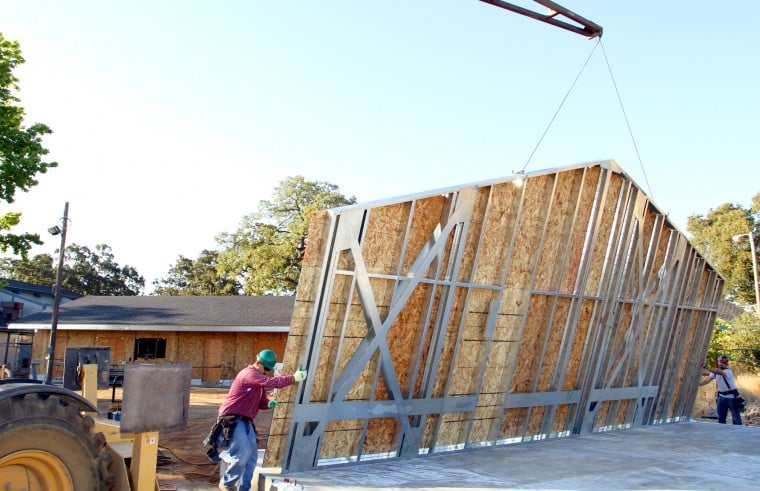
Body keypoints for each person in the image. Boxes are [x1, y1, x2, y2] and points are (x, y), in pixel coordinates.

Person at [216, 349, 307, 491]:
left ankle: (244, 488)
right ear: (258, 363)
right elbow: (270, 382)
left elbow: (261, 402)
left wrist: (268, 404)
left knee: (252, 458)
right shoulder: (249, 373)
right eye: (265, 368)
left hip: (245, 420)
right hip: (232, 418)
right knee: (242, 453)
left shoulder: (258, 381)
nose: (266, 372)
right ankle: (226, 485)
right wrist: (293, 378)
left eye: (268, 370)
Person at [699, 354, 742, 425]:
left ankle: (739, 432)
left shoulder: (728, 371)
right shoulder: (715, 371)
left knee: (736, 417)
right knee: (721, 418)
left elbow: (718, 372)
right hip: (721, 397)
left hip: (731, 397)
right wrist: (698, 384)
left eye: (723, 362)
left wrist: (705, 366)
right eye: (720, 362)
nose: (721, 364)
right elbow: (707, 380)